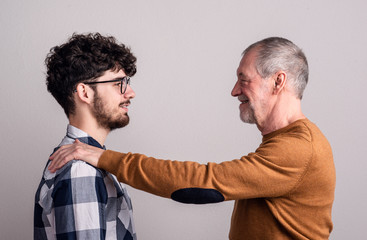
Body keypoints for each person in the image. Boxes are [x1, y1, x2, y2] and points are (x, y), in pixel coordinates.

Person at [49, 37, 336, 239]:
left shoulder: (298, 148)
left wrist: (105, 157)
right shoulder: (286, 143)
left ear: (278, 81)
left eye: (243, 78)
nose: (234, 91)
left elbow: (202, 185)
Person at [34, 33, 137, 240]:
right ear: (85, 92)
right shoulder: (81, 170)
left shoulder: (89, 160)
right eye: (119, 83)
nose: (130, 92)